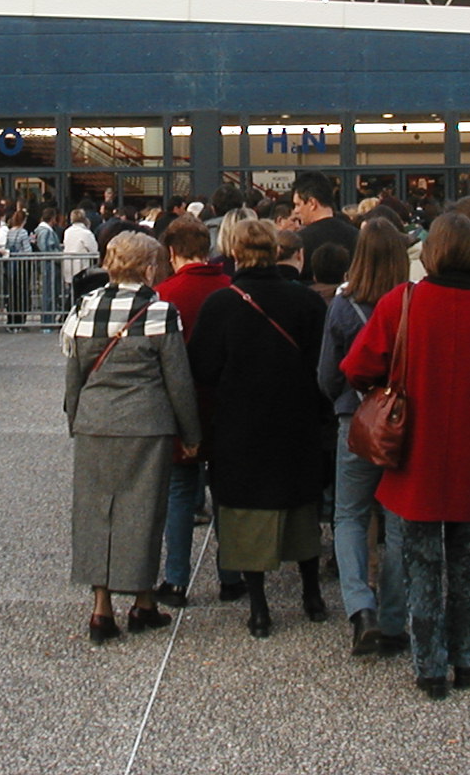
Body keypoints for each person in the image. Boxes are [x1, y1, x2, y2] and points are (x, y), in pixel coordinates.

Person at [344, 213, 470, 700]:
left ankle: (430, 666)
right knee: (467, 557)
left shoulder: (401, 304)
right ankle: (465, 656)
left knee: (420, 559)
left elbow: (357, 366)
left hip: (414, 450)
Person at [189, 217, 330, 639]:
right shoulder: (306, 302)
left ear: (234, 253)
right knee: (302, 504)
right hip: (297, 418)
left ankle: (260, 607)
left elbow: (202, 367)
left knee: (244, 511)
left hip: (241, 423)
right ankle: (311, 594)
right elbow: (323, 363)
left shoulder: (221, 304)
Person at [63, 230, 201, 643]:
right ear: (148, 267)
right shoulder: (159, 311)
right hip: (146, 422)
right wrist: (191, 433)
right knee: (144, 513)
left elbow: (74, 373)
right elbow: (177, 379)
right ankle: (143, 601)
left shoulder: (84, 308)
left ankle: (100, 607)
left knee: (94, 512)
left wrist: (76, 417)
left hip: (96, 421)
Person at [317, 218, 410, 658]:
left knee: (349, 516)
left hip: (354, 419)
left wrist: (346, 399)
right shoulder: (412, 303)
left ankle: (360, 607)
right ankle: (394, 616)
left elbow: (326, 373)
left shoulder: (343, 305)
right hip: (405, 423)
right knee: (398, 523)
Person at [152, 216, 232, 607]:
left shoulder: (164, 294)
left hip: (181, 407)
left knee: (181, 492)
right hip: (225, 404)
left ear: (171, 251)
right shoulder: (230, 288)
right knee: (225, 492)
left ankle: (176, 579)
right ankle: (231, 575)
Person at [292, 172, 360, 280]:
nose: (296, 211)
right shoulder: (357, 236)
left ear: (312, 203)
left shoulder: (300, 241)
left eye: (297, 204)